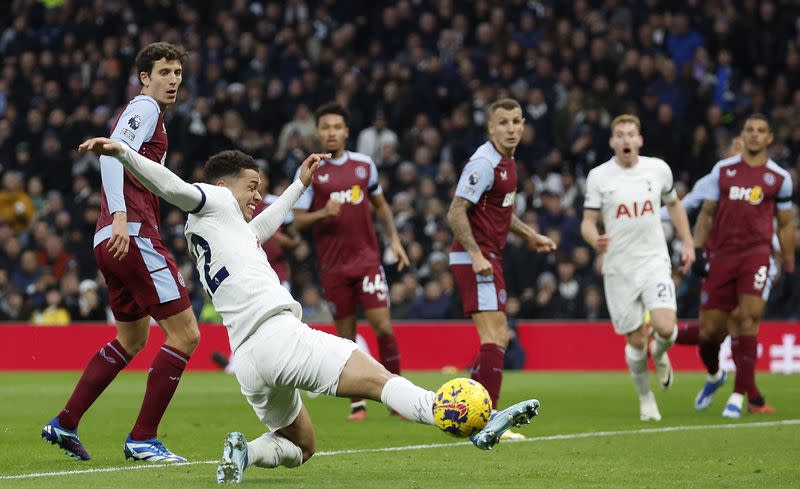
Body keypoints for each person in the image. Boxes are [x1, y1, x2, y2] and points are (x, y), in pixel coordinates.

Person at [76, 138, 540, 484]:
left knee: (303, 445)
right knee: (381, 382)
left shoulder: (217, 232)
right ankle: (466, 421)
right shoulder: (215, 200)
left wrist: (299, 185)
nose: (257, 195)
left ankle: (247, 453)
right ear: (223, 186)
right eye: (251, 187)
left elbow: (266, 223)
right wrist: (123, 154)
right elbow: (172, 184)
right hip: (281, 336)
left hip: (250, 362)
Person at [41, 42, 197, 463]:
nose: (173, 81)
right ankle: (144, 437)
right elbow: (111, 154)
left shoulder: (151, 114)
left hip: (110, 239)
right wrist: (121, 215)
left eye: (178, 73)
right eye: (165, 72)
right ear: (145, 77)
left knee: (132, 338)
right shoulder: (143, 108)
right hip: (131, 234)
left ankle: (65, 422)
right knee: (186, 334)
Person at [291, 102, 411, 421]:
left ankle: (398, 398)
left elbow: (382, 207)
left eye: (336, 127)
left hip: (367, 261)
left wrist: (395, 242)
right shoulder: (310, 169)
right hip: (333, 267)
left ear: (346, 132)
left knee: (383, 327)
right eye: (325, 127)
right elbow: (296, 221)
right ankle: (356, 404)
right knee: (346, 338)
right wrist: (322, 213)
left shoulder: (364, 165)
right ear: (318, 132)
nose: (331, 132)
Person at [447, 98, 556, 439]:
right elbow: (455, 212)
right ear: (490, 127)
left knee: (496, 337)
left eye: (516, 121)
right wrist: (477, 254)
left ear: (523, 124)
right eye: (503, 123)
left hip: (488, 255)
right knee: (496, 336)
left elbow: (501, 212)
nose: (511, 128)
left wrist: (530, 235)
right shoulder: (484, 163)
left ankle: (469, 414)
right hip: (475, 258)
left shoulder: (508, 163)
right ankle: (490, 418)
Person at [581, 114, 695, 421]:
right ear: (612, 142)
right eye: (620, 135)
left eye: (631, 134)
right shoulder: (599, 177)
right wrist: (596, 240)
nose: (626, 140)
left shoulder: (658, 170)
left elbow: (674, 205)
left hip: (654, 261)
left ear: (640, 140)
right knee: (634, 340)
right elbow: (588, 223)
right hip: (619, 268)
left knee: (666, 328)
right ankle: (646, 398)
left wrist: (688, 242)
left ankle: (659, 354)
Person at [691, 114, 794, 418]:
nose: (754, 135)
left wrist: (788, 265)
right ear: (743, 134)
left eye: (761, 131)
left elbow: (786, 225)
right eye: (749, 130)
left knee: (748, 318)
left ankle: (741, 396)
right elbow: (707, 214)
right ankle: (717, 375)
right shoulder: (722, 172)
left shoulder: (779, 178)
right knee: (710, 332)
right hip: (722, 256)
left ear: (770, 138)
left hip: (756, 255)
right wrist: (697, 250)